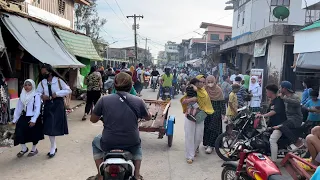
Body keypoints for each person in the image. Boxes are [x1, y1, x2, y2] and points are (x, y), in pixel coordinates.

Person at [88, 72, 152, 180]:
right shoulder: (138, 101)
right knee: (138, 146)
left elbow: (93, 120)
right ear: (131, 85)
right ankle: (136, 174)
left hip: (108, 143)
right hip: (131, 142)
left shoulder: (104, 100)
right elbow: (148, 118)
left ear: (114, 84)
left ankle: (100, 174)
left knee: (95, 141)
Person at [36, 64, 71, 158]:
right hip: (48, 105)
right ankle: (53, 146)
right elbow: (37, 92)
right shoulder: (42, 82)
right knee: (49, 125)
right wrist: (41, 96)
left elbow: (68, 90)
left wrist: (57, 94)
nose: (43, 74)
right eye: (42, 72)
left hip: (58, 104)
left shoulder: (58, 80)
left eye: (45, 72)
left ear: (50, 72)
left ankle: (53, 147)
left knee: (53, 125)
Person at [181, 75, 214, 164]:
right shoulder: (191, 88)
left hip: (201, 115)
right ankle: (190, 156)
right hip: (190, 114)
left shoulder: (203, 91)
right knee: (189, 136)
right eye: (200, 82)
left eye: (204, 82)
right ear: (196, 82)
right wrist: (190, 98)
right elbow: (186, 98)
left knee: (199, 136)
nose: (202, 84)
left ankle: (194, 149)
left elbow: (204, 102)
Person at [13, 79, 44, 157]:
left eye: (29, 85)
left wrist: (34, 120)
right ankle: (24, 148)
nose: (27, 87)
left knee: (34, 134)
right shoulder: (22, 95)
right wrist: (15, 119)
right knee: (19, 131)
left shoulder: (36, 95)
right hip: (24, 116)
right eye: (25, 85)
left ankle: (34, 149)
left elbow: (37, 109)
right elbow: (18, 108)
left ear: (32, 86)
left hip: (34, 117)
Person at [256, 84, 287, 162]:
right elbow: (268, 112)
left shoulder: (279, 101)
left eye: (267, 92)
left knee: (272, 140)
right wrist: (260, 114)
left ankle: (273, 161)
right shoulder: (272, 101)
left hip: (280, 125)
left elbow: (274, 111)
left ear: (271, 92)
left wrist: (263, 115)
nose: (266, 93)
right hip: (272, 125)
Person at [276, 81, 303, 151]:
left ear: (284, 88)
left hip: (296, 119)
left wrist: (284, 99)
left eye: (280, 87)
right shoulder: (284, 96)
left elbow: (298, 103)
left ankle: (297, 141)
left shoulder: (295, 96)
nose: (279, 89)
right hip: (289, 119)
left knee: (282, 126)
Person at [203, 75, 226, 154]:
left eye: (211, 82)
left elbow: (222, 102)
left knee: (213, 128)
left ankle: (211, 145)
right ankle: (206, 143)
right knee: (206, 127)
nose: (210, 84)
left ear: (215, 81)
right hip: (206, 112)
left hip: (216, 112)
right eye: (208, 82)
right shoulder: (205, 89)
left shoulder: (218, 90)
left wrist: (223, 113)